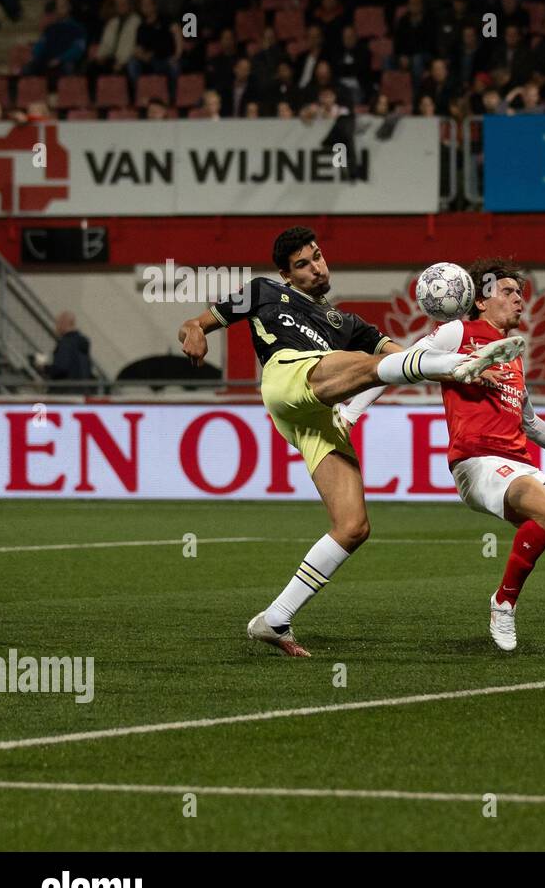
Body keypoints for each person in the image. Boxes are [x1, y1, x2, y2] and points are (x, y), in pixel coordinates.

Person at [176, 229, 518, 657]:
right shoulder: (264, 292)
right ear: (287, 274)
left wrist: (457, 367)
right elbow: (201, 320)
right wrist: (193, 329)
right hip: (287, 377)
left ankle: (275, 619)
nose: (316, 267)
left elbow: (401, 357)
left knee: (353, 526)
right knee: (366, 364)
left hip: (317, 415)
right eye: (303, 264)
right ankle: (456, 364)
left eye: (317, 257)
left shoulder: (347, 323)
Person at [336, 259, 545, 661]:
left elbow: (527, 420)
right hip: (477, 462)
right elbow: (396, 367)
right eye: (508, 292)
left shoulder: (511, 355)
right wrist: (352, 414)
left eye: (520, 294)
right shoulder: (457, 332)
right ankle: (504, 601)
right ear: (479, 300)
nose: (519, 301)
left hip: (517, 462)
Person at [43, 311, 94, 390]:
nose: (56, 328)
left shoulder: (66, 344)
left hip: (64, 391)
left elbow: (61, 367)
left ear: (63, 323)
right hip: (81, 391)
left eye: (57, 324)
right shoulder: (82, 342)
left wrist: (45, 368)